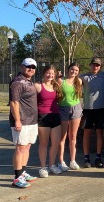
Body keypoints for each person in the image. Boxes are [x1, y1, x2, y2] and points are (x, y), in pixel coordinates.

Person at [9, 58, 39, 188]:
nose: (31, 69)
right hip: (22, 121)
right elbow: (14, 102)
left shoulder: (29, 82)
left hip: (32, 121)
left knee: (27, 147)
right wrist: (17, 120)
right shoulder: (17, 82)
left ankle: (23, 173)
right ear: (22, 67)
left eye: (33, 67)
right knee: (20, 148)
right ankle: (17, 178)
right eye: (28, 66)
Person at [35, 65, 63, 177]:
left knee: (55, 143)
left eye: (52, 73)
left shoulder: (56, 86)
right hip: (42, 116)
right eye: (48, 73)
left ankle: (52, 165)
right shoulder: (37, 86)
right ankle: (43, 167)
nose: (50, 75)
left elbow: (64, 80)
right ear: (43, 73)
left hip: (55, 116)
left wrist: (60, 76)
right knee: (44, 143)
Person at [81, 57, 104, 168]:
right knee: (86, 134)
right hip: (88, 110)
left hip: (100, 109)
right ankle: (86, 158)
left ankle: (98, 157)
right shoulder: (84, 77)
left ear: (100, 66)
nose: (95, 67)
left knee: (99, 134)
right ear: (90, 65)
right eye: (93, 64)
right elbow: (72, 81)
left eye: (97, 65)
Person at [58, 62, 83, 171]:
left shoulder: (79, 82)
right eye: (72, 69)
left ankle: (72, 161)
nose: (74, 72)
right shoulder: (61, 81)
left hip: (76, 109)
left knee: (73, 137)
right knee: (62, 137)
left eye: (76, 70)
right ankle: (61, 162)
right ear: (68, 70)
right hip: (63, 108)